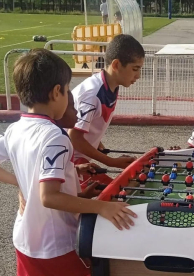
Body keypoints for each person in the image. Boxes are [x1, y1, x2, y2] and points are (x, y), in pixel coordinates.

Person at [0, 49, 137, 276]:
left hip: (25, 240)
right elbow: (49, 197)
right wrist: (102, 206)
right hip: (56, 245)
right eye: (66, 90)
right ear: (57, 92)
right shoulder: (55, 136)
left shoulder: (15, 128)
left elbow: (40, 184)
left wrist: (24, 185)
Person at [68, 34, 145, 185]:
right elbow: (74, 137)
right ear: (116, 65)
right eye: (135, 69)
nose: (139, 75)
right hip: (69, 160)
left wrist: (99, 145)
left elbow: (87, 126)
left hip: (77, 158)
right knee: (120, 192)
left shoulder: (110, 86)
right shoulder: (92, 95)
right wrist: (111, 162)